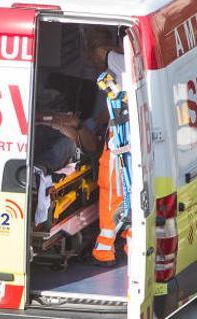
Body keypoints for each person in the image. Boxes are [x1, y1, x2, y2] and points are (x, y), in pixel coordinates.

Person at [85, 28, 132, 265]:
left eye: (91, 54)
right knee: (129, 189)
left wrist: (92, 124)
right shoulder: (131, 61)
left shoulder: (117, 61)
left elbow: (114, 106)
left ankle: (104, 250)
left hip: (121, 138)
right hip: (132, 135)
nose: (90, 62)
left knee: (111, 187)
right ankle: (130, 241)